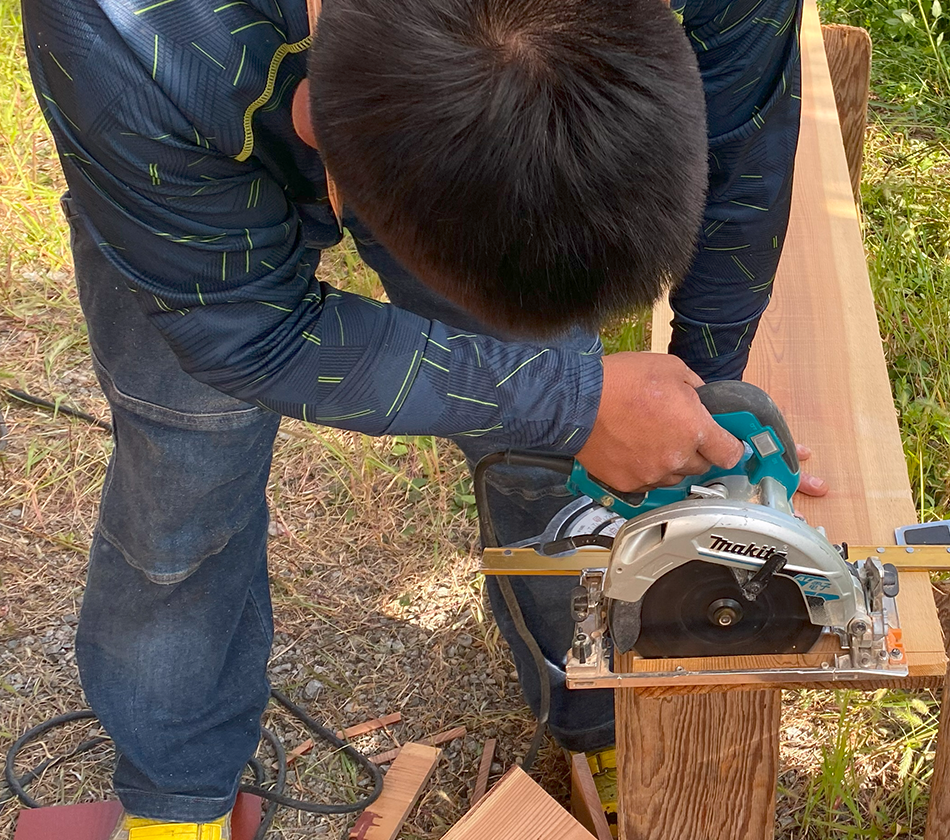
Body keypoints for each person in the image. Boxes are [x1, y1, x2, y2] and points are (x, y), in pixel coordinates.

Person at [22, 0, 821, 836]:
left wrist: (701, 406)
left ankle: (605, 710)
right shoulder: (122, 32)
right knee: (183, 473)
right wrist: (572, 401)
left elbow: (744, 143)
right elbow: (250, 334)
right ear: (314, 126)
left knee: (558, 430)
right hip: (181, 140)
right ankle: (175, 801)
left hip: (390, 84)